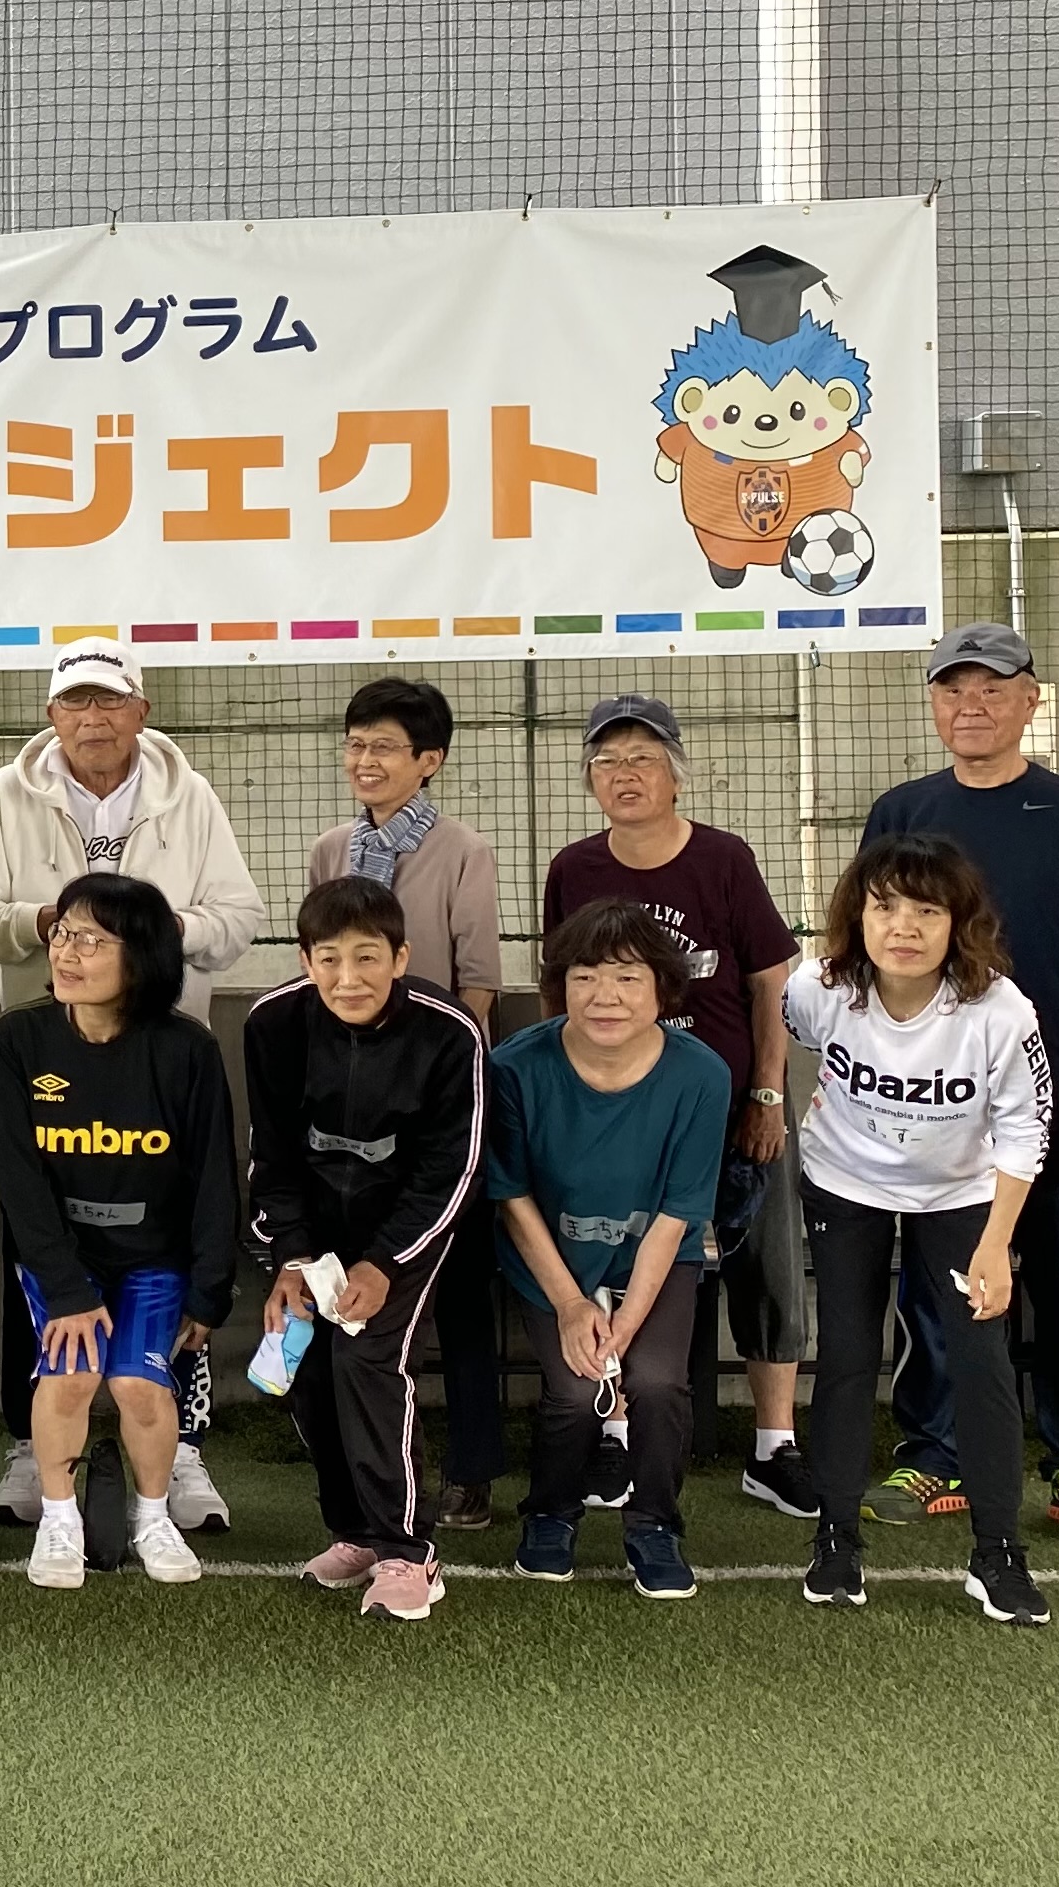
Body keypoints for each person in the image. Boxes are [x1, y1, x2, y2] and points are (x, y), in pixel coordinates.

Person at [0, 642, 262, 1536]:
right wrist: (51, 922)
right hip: (54, 1052)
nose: (92, 718)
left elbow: (239, 918)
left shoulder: (187, 795)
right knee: (39, 1241)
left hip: (159, 1056)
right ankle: (31, 1446)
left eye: (109, 701)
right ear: (51, 715)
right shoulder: (5, 795)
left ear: (140, 711)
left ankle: (179, 1448)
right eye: (75, 703)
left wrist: (146, 933)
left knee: (168, 1252)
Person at [863, 623, 1059, 1546]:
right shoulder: (901, 810)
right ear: (932, 704)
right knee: (933, 1288)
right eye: (953, 689)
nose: (971, 706)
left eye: (991, 689)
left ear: (1030, 699)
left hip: (1052, 1101)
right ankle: (933, 1454)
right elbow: (869, 956)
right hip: (929, 1110)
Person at [542, 693, 809, 1523]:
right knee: (612, 1266)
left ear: (675, 775)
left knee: (765, 1266)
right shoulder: (573, 870)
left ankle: (773, 1445)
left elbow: (768, 983)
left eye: (642, 760)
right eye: (606, 762)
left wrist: (767, 1092)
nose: (624, 775)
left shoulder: (723, 859)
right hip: (622, 1116)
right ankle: (615, 1431)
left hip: (732, 1106)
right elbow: (559, 993)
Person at [784, 834, 1054, 1623]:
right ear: (857, 916)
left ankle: (996, 1553)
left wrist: (995, 1245)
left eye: (926, 911)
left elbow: (1024, 1128)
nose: (902, 926)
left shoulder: (999, 1010)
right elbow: (791, 1040)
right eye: (884, 907)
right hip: (843, 1183)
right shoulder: (816, 988)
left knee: (979, 1360)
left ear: (956, 924)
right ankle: (835, 1542)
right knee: (846, 1354)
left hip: (961, 1193)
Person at [0, 873, 238, 1589]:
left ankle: (152, 1519)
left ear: (142, 956)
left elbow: (214, 1179)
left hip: (155, 1260)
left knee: (136, 1383)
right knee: (69, 1377)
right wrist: (65, 1289)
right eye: (62, 934)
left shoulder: (187, 1050)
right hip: (63, 1259)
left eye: (90, 941)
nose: (66, 952)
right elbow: (19, 1179)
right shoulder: (19, 1039)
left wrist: (209, 1291)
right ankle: (59, 1522)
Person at [245, 877, 487, 1623]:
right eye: (328, 959)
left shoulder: (450, 1033)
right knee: (310, 1368)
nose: (347, 978)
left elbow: (453, 1168)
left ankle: (407, 1551)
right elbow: (271, 1155)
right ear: (305, 960)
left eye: (366, 958)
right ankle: (353, 1532)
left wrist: (384, 1264)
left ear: (400, 957)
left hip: (405, 1236)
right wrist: (290, 1258)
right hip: (311, 1238)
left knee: (366, 1361)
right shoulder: (272, 1022)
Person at [307, 678, 509, 1533]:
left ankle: (470, 1470)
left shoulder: (464, 851)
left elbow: (478, 986)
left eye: (384, 747)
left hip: (435, 1092)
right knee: (352, 1291)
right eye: (355, 744)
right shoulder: (330, 849)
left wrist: (444, 1079)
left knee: (456, 1291)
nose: (365, 761)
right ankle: (363, 1469)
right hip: (345, 1106)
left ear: (429, 761)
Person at [488, 900, 731, 1601]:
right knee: (572, 1389)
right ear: (559, 984)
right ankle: (549, 1514)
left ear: (662, 988)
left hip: (654, 1256)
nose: (605, 996)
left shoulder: (702, 1075)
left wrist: (626, 1324)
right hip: (551, 1260)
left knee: (657, 1382)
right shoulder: (514, 1067)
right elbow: (511, 1197)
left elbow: (676, 1216)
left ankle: (654, 1525)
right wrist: (570, 1304)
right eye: (585, 976)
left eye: (627, 978)